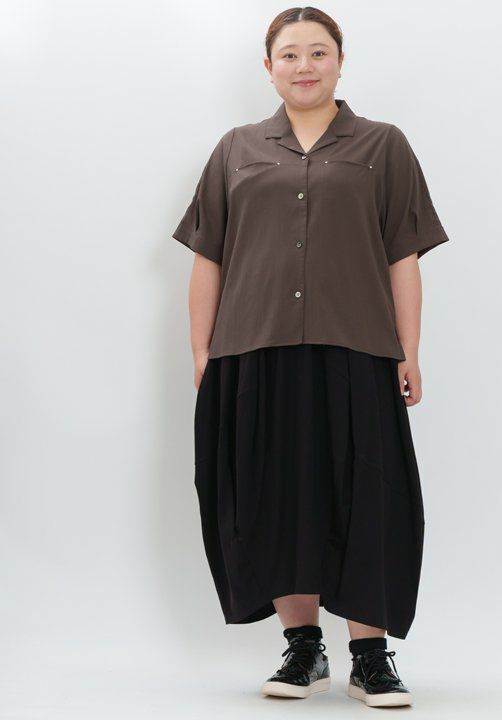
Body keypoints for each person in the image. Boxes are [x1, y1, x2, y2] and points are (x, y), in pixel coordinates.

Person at [171, 6, 450, 708]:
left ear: (340, 62)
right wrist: (203, 351)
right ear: (269, 68)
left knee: (368, 497)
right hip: (253, 347)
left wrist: (409, 350)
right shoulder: (235, 148)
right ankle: (303, 651)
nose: (304, 66)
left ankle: (371, 658)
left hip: (357, 345)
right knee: (275, 496)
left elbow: (403, 255)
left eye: (318, 52)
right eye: (290, 54)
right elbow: (208, 256)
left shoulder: (383, 145)